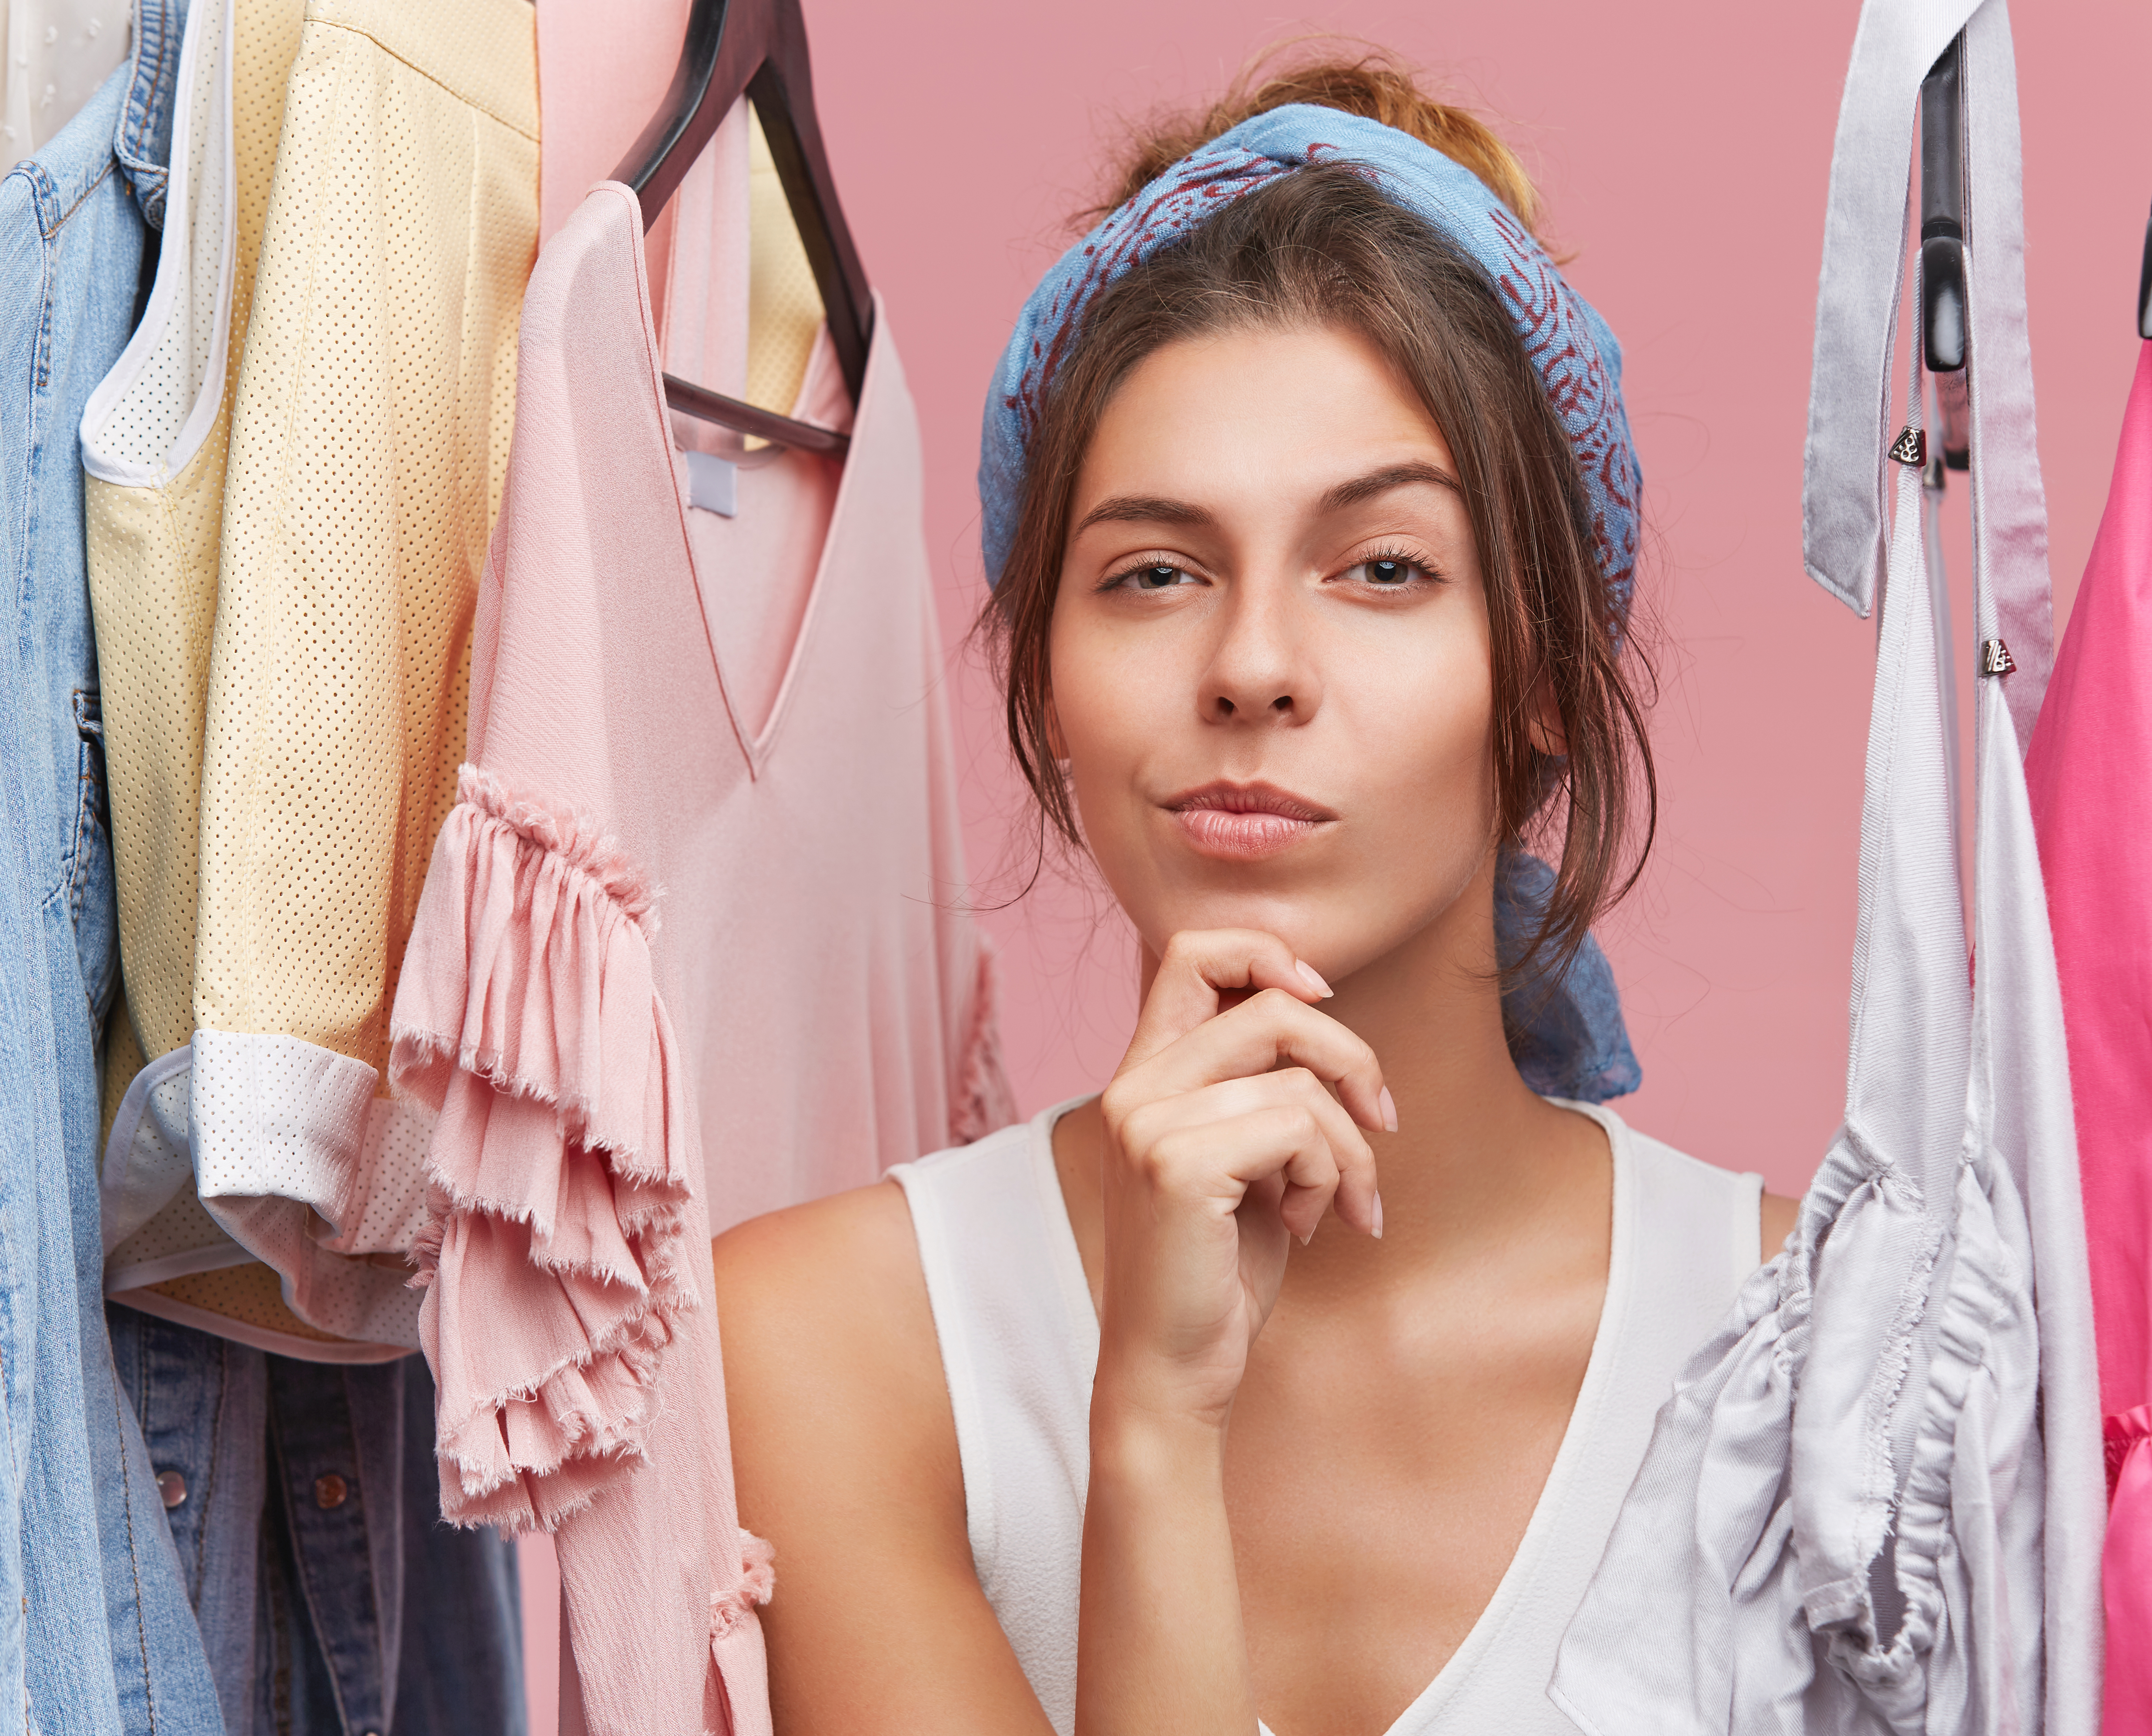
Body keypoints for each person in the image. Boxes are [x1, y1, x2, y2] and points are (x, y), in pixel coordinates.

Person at [716, 52, 1795, 1736]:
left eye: (1383, 569)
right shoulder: (825, 1348)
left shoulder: (1816, 1347)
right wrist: (1154, 1426)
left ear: (1547, 679)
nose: (1254, 668)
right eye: (1153, 573)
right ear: (1050, 678)